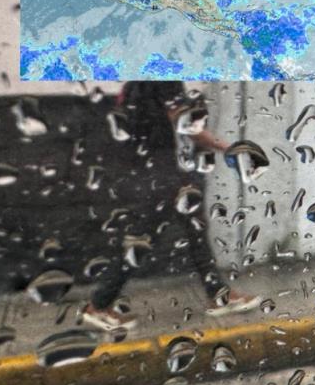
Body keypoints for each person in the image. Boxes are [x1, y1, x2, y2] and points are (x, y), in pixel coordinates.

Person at [83, 82, 261, 331]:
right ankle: (99, 305)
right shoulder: (164, 79)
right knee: (144, 238)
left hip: (145, 166)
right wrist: (227, 147)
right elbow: (186, 125)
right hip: (163, 170)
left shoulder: (134, 83)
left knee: (195, 228)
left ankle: (218, 294)